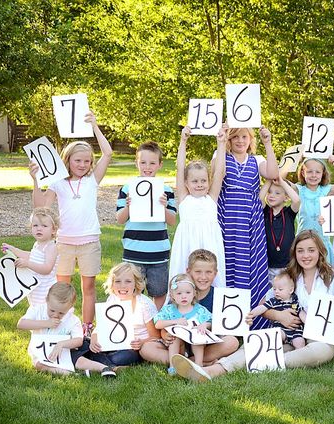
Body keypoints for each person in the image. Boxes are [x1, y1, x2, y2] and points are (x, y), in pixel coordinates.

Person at [171, 230, 334, 382]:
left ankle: (266, 362)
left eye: (311, 250)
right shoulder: (289, 276)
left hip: (320, 339)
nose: (306, 255)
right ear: (294, 253)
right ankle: (212, 371)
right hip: (287, 334)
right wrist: (279, 316)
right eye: (300, 250)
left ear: (320, 252)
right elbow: (264, 305)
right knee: (255, 343)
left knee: (320, 352)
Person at [30, 111, 113, 334]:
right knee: (61, 288)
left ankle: (86, 327)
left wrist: (95, 125)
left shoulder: (92, 180)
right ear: (67, 160)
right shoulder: (57, 182)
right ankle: (62, 324)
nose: (83, 164)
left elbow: (108, 153)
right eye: (78, 160)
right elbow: (41, 208)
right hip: (64, 243)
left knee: (88, 286)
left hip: (89, 242)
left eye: (87, 161)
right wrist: (35, 181)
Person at [213, 125, 279, 323]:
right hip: (226, 216)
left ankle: (250, 315)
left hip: (250, 218)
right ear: (230, 139)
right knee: (226, 260)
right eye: (236, 137)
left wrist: (268, 143)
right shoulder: (220, 154)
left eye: (244, 137)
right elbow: (218, 174)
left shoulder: (257, 160)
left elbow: (273, 173)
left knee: (249, 261)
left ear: (251, 140)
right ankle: (227, 317)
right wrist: (222, 142)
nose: (240, 141)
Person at [116, 141, 177, 310]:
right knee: (131, 291)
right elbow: (120, 219)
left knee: (158, 292)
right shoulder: (128, 188)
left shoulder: (166, 190)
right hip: (133, 251)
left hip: (158, 253)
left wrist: (164, 207)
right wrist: (128, 206)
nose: (147, 167)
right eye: (143, 162)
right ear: (136, 163)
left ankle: (156, 324)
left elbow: (172, 221)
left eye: (152, 163)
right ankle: (135, 325)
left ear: (160, 165)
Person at [18, 282, 116, 377]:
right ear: (47, 300)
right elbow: (21, 324)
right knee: (39, 364)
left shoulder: (72, 320)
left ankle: (104, 368)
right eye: (52, 310)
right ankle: (74, 375)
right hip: (41, 350)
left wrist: (61, 344)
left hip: (64, 350)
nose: (55, 315)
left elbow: (78, 340)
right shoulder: (37, 309)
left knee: (77, 359)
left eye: (61, 313)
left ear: (70, 308)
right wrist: (46, 323)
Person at [160, 249, 239, 367]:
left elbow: (227, 325)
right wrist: (164, 334)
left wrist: (243, 319)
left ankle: (191, 361)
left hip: (206, 345)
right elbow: (165, 319)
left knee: (232, 342)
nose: (203, 277)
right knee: (147, 348)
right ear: (188, 272)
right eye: (198, 272)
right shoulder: (180, 293)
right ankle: (196, 361)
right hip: (179, 344)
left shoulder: (220, 296)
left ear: (215, 273)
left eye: (208, 272)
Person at [168, 126, 226, 287]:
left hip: (210, 241)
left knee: (210, 277)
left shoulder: (211, 198)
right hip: (187, 242)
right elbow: (180, 168)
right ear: (186, 183)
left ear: (208, 181)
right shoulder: (184, 198)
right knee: (184, 277)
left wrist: (221, 143)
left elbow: (219, 172)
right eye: (194, 181)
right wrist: (183, 141)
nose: (199, 185)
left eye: (203, 181)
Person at [87, 262, 169, 366]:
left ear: (136, 283)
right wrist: (94, 339)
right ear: (112, 283)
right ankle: (105, 364)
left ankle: (103, 364)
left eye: (128, 281)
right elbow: (102, 326)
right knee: (87, 346)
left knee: (119, 358)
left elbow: (156, 336)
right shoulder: (112, 299)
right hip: (115, 342)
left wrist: (141, 342)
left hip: (136, 347)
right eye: (118, 281)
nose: (122, 286)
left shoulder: (144, 304)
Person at [155, 274, 213, 374]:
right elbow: (158, 324)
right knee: (174, 336)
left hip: (196, 345)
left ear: (194, 293)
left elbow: (211, 321)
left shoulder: (199, 310)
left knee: (197, 334)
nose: (184, 296)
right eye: (179, 293)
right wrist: (175, 322)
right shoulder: (168, 310)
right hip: (178, 346)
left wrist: (204, 325)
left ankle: (199, 365)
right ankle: (173, 366)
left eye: (188, 292)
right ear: (172, 295)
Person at [1, 207, 59, 305]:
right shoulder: (37, 244)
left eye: (44, 226)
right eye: (35, 225)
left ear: (53, 230)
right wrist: (13, 249)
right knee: (35, 309)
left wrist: (27, 264)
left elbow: (47, 269)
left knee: (43, 313)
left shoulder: (51, 247)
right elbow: (31, 256)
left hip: (45, 289)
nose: (39, 228)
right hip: (36, 287)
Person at [284, 158, 334, 263]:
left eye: (317, 172)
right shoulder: (299, 190)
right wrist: (293, 161)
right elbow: (279, 179)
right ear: (303, 172)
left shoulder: (326, 190)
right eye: (309, 171)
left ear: (323, 173)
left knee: (323, 275)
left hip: (322, 243)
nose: (313, 175)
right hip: (303, 243)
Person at [247, 271, 307, 350]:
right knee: (276, 336)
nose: (276, 292)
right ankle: (272, 350)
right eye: (274, 289)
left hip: (295, 331)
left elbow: (302, 314)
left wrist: (308, 323)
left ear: (291, 290)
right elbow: (262, 307)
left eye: (280, 289)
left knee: (300, 342)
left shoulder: (295, 301)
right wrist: (251, 314)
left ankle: (297, 355)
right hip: (281, 330)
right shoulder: (273, 301)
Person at [260, 177, 300, 280]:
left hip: (287, 265)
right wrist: (269, 180)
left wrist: (281, 182)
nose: (272, 195)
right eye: (270, 192)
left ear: (286, 198)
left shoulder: (289, 213)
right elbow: (259, 198)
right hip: (268, 265)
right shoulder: (266, 212)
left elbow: (296, 200)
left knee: (286, 293)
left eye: (277, 193)